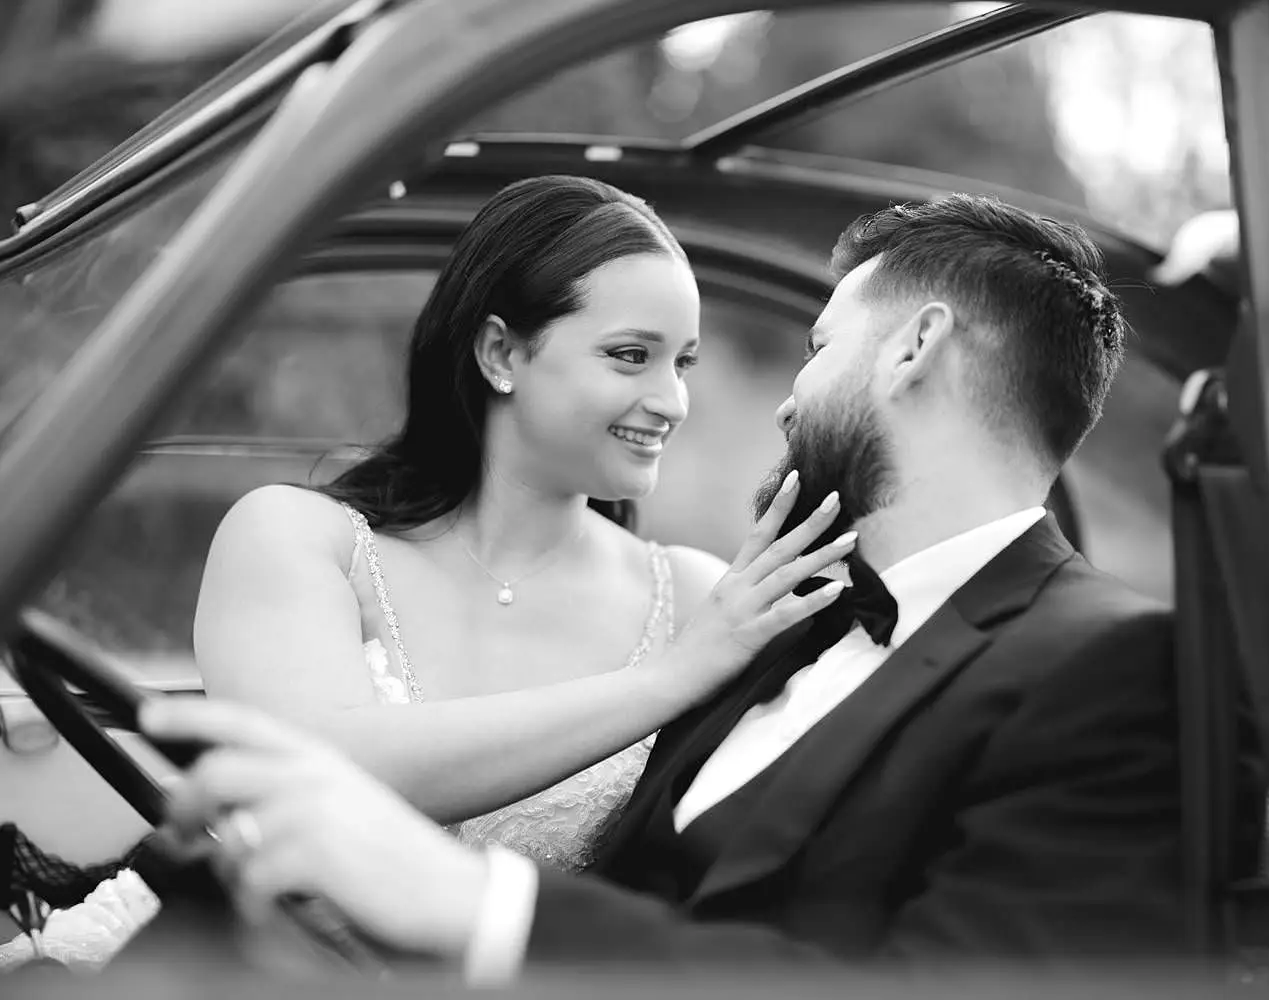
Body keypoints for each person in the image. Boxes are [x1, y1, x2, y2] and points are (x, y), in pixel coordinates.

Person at [145, 193, 1201, 978]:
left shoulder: (1102, 669)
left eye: (816, 347)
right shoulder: (777, 626)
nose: (773, 401)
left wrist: (486, 912)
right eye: (632, 354)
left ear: (917, 347)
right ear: (501, 353)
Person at [190, 174, 853, 870]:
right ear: (500, 353)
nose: (671, 401)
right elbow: (318, 774)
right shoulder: (294, 537)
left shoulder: (695, 600)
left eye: (681, 363)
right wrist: (665, 682)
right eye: (631, 356)